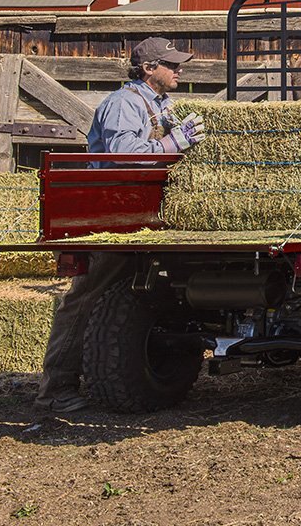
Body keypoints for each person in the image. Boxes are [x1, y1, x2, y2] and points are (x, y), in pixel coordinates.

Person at [34, 37, 207, 413]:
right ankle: (56, 389)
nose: (179, 70)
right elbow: (123, 156)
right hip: (112, 211)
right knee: (87, 296)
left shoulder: (160, 104)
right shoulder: (123, 104)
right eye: (171, 64)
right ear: (148, 69)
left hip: (141, 213)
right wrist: (174, 142)